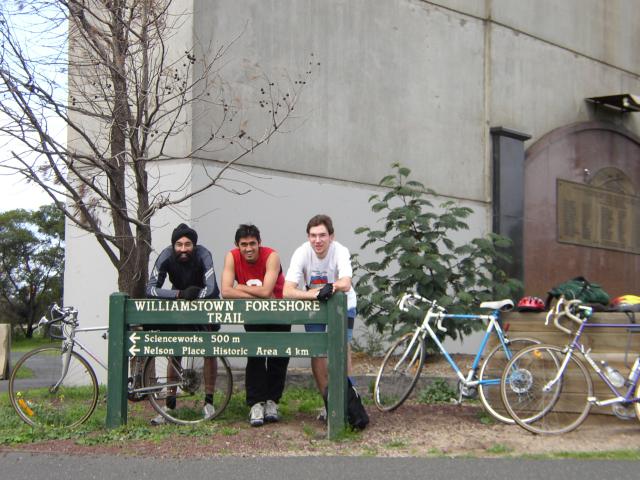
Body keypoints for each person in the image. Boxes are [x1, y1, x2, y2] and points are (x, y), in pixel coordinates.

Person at [145, 223, 221, 425]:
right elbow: (151, 289)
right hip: (179, 303)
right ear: (173, 245)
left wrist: (195, 295)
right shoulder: (166, 256)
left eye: (188, 244)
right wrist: (179, 294)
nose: (184, 249)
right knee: (174, 351)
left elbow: (212, 288)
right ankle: (169, 405)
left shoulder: (204, 254)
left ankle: (209, 402)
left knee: (209, 351)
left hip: (205, 305)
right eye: (179, 245)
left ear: (194, 246)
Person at [283, 214, 356, 420]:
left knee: (342, 349)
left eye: (322, 235)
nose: (318, 240)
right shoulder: (302, 253)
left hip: (344, 305)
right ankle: (328, 402)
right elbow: (287, 290)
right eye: (313, 235)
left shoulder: (340, 251)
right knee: (318, 352)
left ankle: (347, 401)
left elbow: (346, 282)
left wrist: (330, 288)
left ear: (331, 236)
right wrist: (313, 294)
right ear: (308, 237)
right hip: (315, 306)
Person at [221, 224, 290, 427]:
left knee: (279, 357)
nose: (248, 248)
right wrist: (252, 293)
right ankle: (255, 403)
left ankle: (272, 401)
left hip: (279, 312)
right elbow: (226, 291)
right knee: (256, 356)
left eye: (252, 243)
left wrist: (240, 287)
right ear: (237, 245)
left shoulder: (271, 256)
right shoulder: (232, 257)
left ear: (259, 243)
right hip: (253, 314)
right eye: (244, 244)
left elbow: (267, 291)